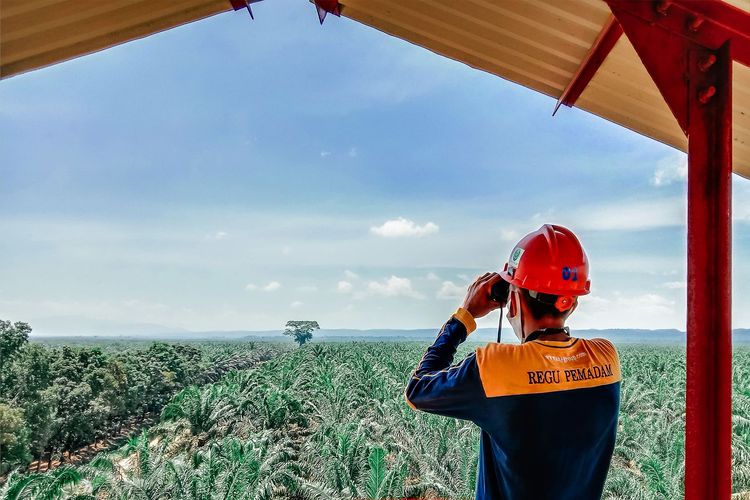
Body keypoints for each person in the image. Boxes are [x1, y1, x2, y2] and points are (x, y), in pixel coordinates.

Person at [404, 224, 621, 500]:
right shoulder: (606, 358)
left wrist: (465, 316)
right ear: (573, 302)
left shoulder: (496, 367)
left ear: (514, 304)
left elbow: (418, 390)